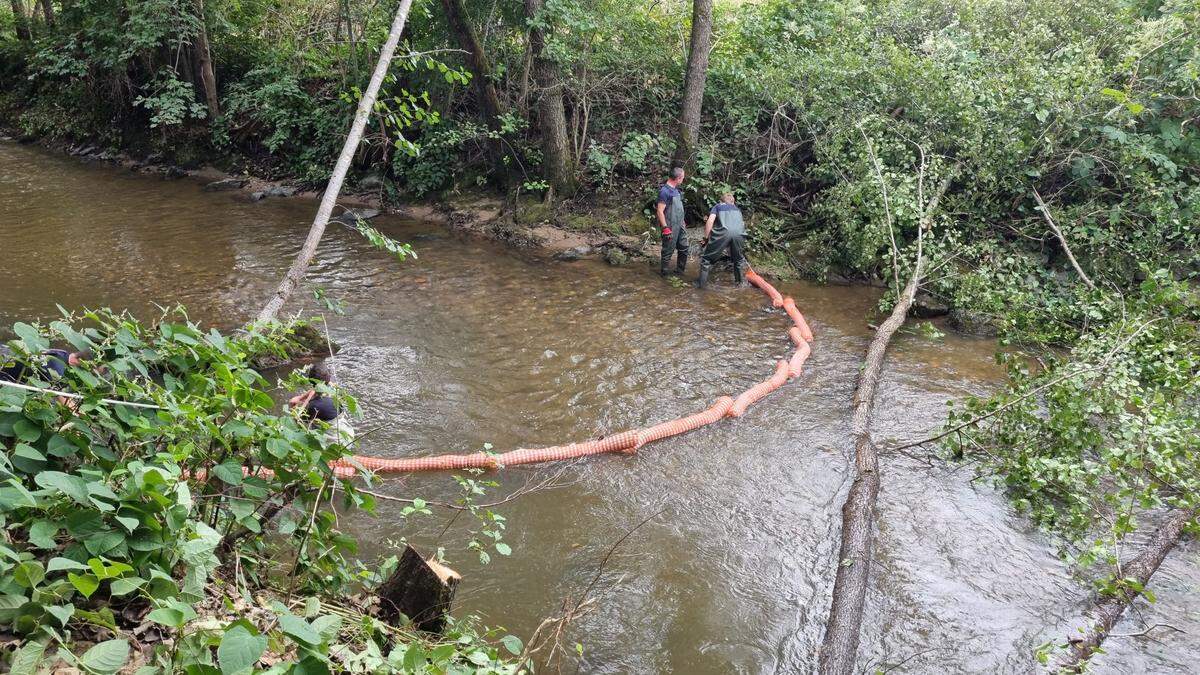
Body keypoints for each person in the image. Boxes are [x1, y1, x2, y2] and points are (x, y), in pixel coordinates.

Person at [288, 362, 355, 444]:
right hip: (348, 436)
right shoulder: (335, 392)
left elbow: (297, 422)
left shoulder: (313, 406)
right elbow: (317, 390)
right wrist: (304, 397)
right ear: (328, 379)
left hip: (334, 444)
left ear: (310, 380)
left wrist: (294, 405)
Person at [697, 193, 747, 289]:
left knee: (706, 260)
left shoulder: (718, 206)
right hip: (739, 234)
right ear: (733, 202)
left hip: (723, 233)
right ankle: (740, 285)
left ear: (721, 201)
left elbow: (710, 221)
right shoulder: (737, 209)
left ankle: (701, 286)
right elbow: (741, 224)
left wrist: (706, 238)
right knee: (738, 261)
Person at [655, 167, 688, 276]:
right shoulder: (664, 191)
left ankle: (680, 272)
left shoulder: (676, 191)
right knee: (668, 250)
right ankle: (664, 275)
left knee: (684, 247)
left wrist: (682, 221)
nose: (683, 180)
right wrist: (665, 228)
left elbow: (678, 209)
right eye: (682, 178)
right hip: (669, 226)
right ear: (678, 178)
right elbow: (660, 211)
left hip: (680, 225)